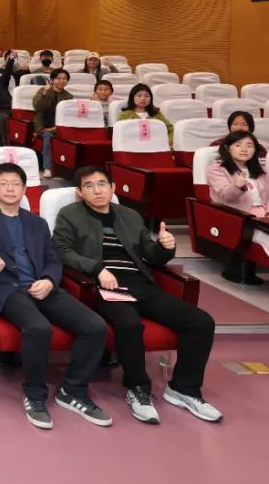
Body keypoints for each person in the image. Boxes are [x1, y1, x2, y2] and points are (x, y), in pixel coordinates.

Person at [54, 165, 221, 424]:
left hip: (141, 284)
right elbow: (62, 250)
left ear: (113, 188)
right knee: (129, 324)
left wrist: (165, 247)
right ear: (79, 192)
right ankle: (138, 387)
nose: (97, 190)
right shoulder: (70, 215)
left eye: (102, 184)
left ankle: (183, 389)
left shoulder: (130, 215)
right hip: (105, 286)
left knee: (202, 322)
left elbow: (151, 255)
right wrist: (97, 269)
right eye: (89, 186)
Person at [0, 163, 109, 430]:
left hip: (42, 287)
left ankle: (72, 390)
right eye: (3, 183)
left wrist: (50, 281)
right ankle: (35, 395)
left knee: (95, 326)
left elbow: (53, 260)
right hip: (7, 289)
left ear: (24, 189)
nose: (10, 189)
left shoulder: (37, 223)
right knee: (38, 327)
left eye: (15, 184)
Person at [208, 131, 269, 284]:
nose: (244, 149)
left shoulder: (259, 169)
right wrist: (237, 186)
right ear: (228, 148)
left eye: (249, 145)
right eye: (238, 145)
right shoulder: (216, 168)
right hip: (239, 218)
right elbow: (225, 196)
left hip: (263, 217)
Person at [32, 69, 73, 179]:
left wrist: (56, 128)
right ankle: (48, 168)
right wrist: (45, 93)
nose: (62, 81)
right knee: (47, 135)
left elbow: (67, 116)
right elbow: (37, 107)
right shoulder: (43, 91)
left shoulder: (69, 96)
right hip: (42, 126)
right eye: (58, 78)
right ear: (52, 80)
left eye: (65, 79)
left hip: (59, 127)